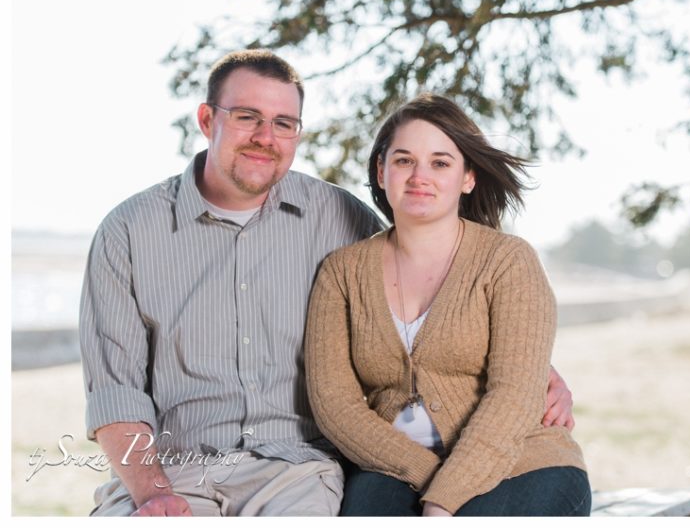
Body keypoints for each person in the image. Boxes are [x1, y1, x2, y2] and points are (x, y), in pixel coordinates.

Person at [80, 50, 576, 516]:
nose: (264, 136)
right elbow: (114, 390)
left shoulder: (337, 216)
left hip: (294, 474)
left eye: (283, 123)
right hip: (171, 472)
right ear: (208, 120)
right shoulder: (128, 232)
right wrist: (154, 494)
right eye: (246, 116)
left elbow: (441, 279)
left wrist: (536, 368)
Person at [305, 93, 591, 516]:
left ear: (468, 177)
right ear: (382, 172)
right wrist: (429, 473)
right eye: (404, 160)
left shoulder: (509, 261)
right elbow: (335, 405)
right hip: (395, 467)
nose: (421, 175)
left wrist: (443, 500)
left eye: (440, 163)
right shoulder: (341, 273)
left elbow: (513, 396)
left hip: (523, 463)